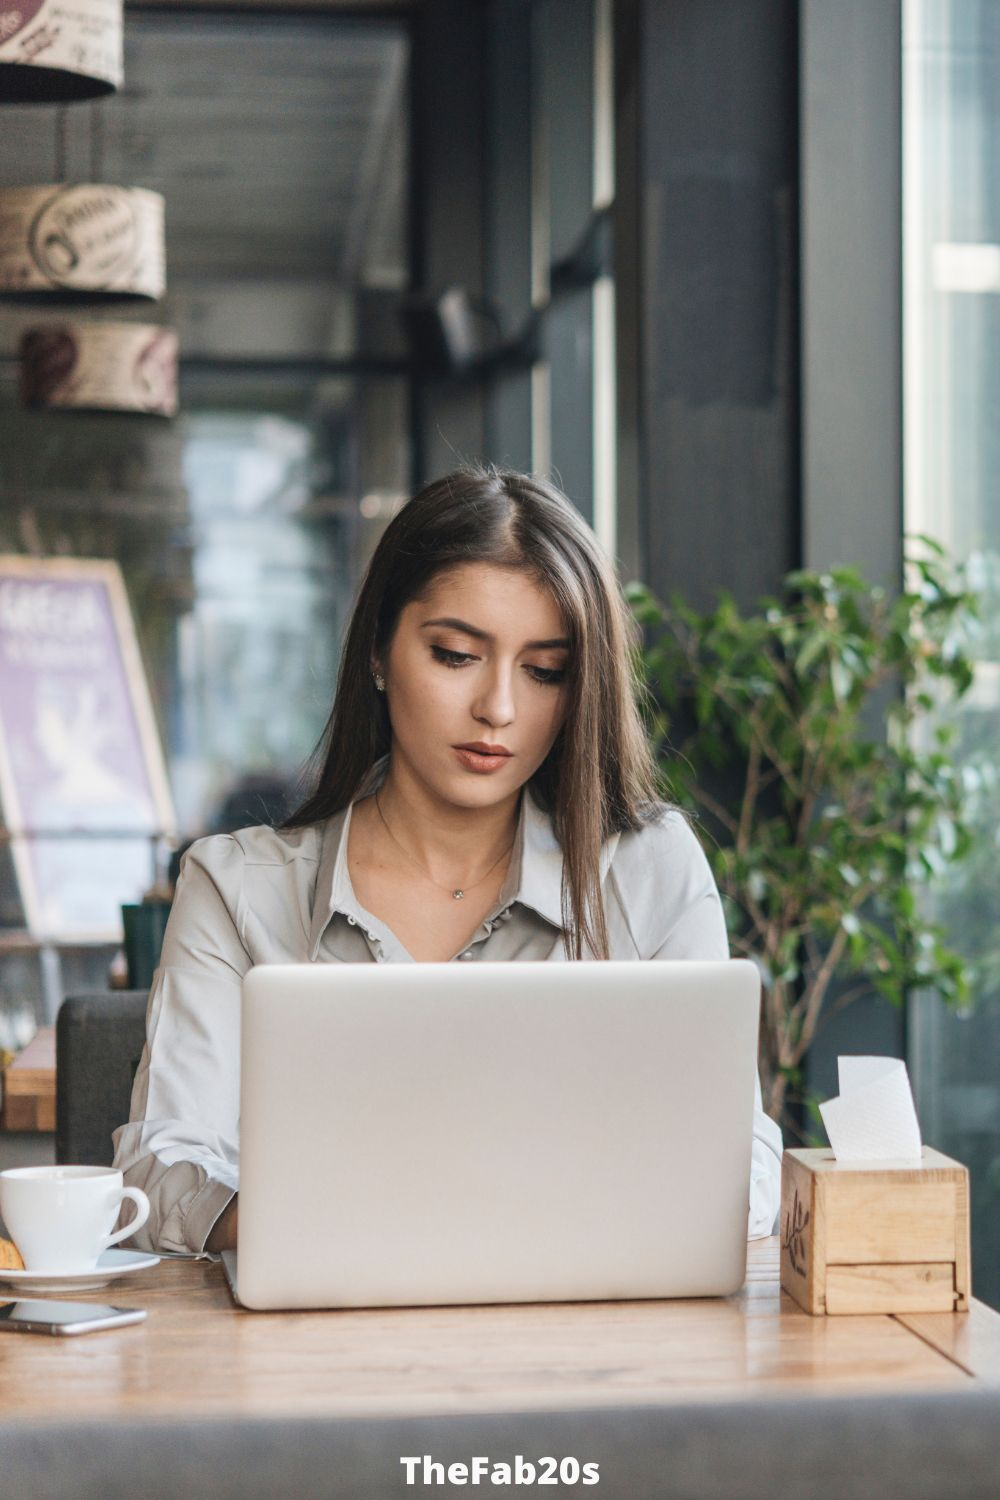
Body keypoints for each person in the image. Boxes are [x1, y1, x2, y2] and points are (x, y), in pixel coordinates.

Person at [112, 466, 782, 1256]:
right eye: (457, 654)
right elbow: (157, 1171)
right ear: (377, 652)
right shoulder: (236, 890)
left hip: (590, 1349)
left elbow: (743, 1166)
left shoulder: (647, 870)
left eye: (544, 672)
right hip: (316, 1352)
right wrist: (331, 1230)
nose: (498, 708)